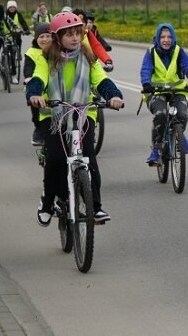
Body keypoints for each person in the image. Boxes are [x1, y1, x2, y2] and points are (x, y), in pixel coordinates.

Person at [26, 12, 124, 226]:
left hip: (82, 114)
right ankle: (48, 201)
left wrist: (114, 95)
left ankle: (95, 207)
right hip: (53, 114)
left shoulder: (88, 57)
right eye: (69, 34)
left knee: (88, 157)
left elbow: (101, 80)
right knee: (57, 159)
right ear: (57, 37)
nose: (75, 38)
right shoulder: (46, 58)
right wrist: (34, 94)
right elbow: (38, 78)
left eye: (77, 33)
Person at [140, 23, 188, 165]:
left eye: (169, 37)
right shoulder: (151, 52)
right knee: (161, 114)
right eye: (162, 37)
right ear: (157, 38)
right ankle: (156, 149)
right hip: (156, 92)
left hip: (177, 90)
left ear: (173, 38)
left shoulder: (179, 51)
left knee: (182, 114)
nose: (166, 40)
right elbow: (145, 70)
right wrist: (146, 84)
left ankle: (177, 134)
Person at [23, 22, 52, 146]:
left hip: (55, 86)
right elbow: (28, 68)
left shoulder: (56, 49)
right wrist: (29, 78)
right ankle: (38, 129)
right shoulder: (32, 52)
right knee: (37, 111)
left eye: (47, 36)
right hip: (36, 86)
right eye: (41, 37)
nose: (45, 39)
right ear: (36, 39)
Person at [0, 4, 20, 84]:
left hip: (8, 37)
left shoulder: (6, 18)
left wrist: (17, 29)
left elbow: (14, 24)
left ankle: (13, 76)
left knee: (12, 55)